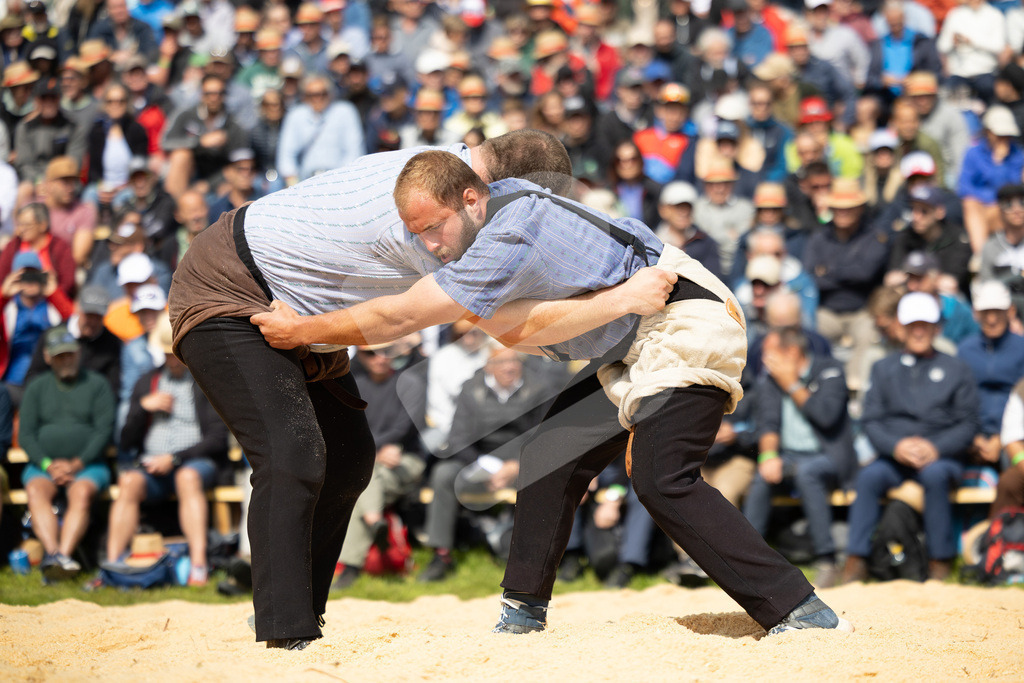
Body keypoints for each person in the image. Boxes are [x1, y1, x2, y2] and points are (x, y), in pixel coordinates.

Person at [251, 150, 852, 639]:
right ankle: (523, 609)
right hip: (636, 336)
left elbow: (399, 319)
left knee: (660, 477)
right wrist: (614, 302)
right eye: (419, 234)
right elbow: (514, 327)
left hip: (683, 319)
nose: (431, 244)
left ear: (471, 198)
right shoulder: (493, 223)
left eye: (435, 227)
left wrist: (302, 329)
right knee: (548, 454)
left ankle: (797, 608)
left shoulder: (505, 233)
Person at [168, 130, 669, 649]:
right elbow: (418, 320)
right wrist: (621, 299)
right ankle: (284, 629)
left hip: (296, 302)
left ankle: (294, 609)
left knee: (349, 457)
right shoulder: (433, 217)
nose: (528, 220)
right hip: (228, 289)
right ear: (494, 189)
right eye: (530, 205)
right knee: (291, 453)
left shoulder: (436, 178)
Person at [842, 292, 978, 583]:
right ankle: (856, 559)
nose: (919, 331)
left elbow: (968, 424)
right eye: (913, 325)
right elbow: (872, 420)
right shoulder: (883, 368)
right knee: (868, 477)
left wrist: (936, 447)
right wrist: (896, 446)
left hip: (941, 456)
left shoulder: (957, 369)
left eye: (925, 325)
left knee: (936, 475)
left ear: (936, 328)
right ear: (902, 328)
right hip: (895, 456)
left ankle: (940, 561)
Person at [105, 314, 228, 586]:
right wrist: (141, 408)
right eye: (167, 354)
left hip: (194, 462)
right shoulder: (147, 381)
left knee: (187, 478)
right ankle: (113, 566)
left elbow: (217, 439)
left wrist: (174, 458)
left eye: (176, 353)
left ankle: (198, 565)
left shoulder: (205, 381)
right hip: (152, 467)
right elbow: (125, 441)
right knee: (128, 482)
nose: (172, 360)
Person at [419, 344, 550, 582]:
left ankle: (536, 558)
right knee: (444, 474)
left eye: (514, 361)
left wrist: (516, 465)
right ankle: (441, 554)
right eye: (502, 362)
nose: (509, 367)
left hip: (522, 461)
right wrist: (486, 469)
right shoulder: (470, 390)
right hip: (477, 461)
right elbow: (458, 438)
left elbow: (541, 435)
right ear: (488, 366)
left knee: (548, 474)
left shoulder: (539, 389)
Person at [744, 326, 856, 589]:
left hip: (829, 457)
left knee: (808, 473)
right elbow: (768, 424)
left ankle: (826, 559)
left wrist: (792, 384)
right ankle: (749, 561)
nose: (764, 359)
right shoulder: (770, 380)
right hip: (790, 456)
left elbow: (826, 416)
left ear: (792, 352)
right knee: (762, 476)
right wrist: (769, 456)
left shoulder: (831, 369)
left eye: (770, 353)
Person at [19, 325, 116, 581]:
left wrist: (76, 463)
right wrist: (49, 465)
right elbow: (26, 435)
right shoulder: (36, 387)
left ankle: (63, 556)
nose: (66, 360)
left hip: (88, 464)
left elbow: (103, 431)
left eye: (70, 354)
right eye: (60, 355)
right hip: (44, 465)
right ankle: (54, 557)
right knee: (36, 491)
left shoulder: (97, 384)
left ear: (79, 353)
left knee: (81, 493)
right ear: (48, 357)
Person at [333, 339, 427, 589]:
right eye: (372, 352)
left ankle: (350, 567)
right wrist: (372, 451)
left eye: (387, 351)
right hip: (370, 462)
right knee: (363, 481)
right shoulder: (352, 384)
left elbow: (403, 429)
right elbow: (343, 429)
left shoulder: (410, 384)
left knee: (357, 485)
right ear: (360, 356)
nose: (380, 357)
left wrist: (367, 449)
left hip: (404, 460)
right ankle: (375, 523)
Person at [958, 281, 1024, 473]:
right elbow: (958, 399)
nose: (992, 319)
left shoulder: (1022, 347)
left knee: (1012, 462)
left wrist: (1001, 437)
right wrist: (973, 437)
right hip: (972, 433)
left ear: (1010, 311)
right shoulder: (965, 350)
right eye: (986, 312)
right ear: (976, 314)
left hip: (1015, 434)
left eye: (997, 312)